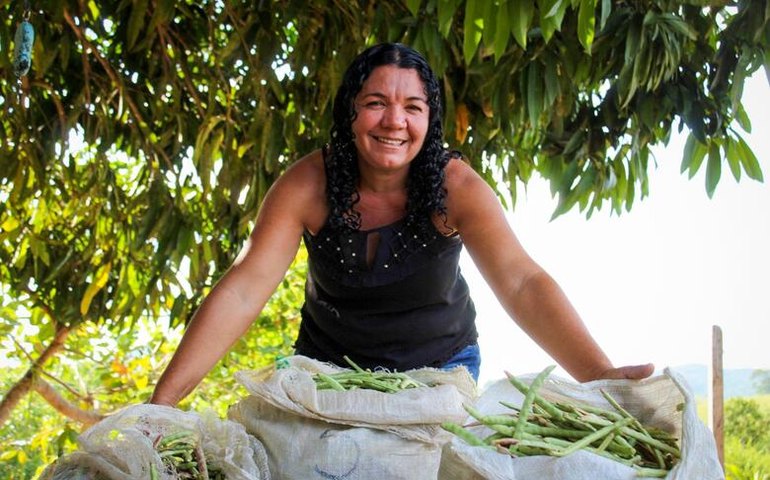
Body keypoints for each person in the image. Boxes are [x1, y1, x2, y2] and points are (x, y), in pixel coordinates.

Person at [149, 43, 653, 406]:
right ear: (350, 111)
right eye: (376, 103)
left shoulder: (458, 188)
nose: (395, 121)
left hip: (439, 374)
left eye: (413, 107)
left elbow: (522, 283)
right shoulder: (305, 184)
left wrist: (600, 376)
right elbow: (243, 289)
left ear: (429, 120)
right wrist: (163, 402)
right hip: (327, 371)